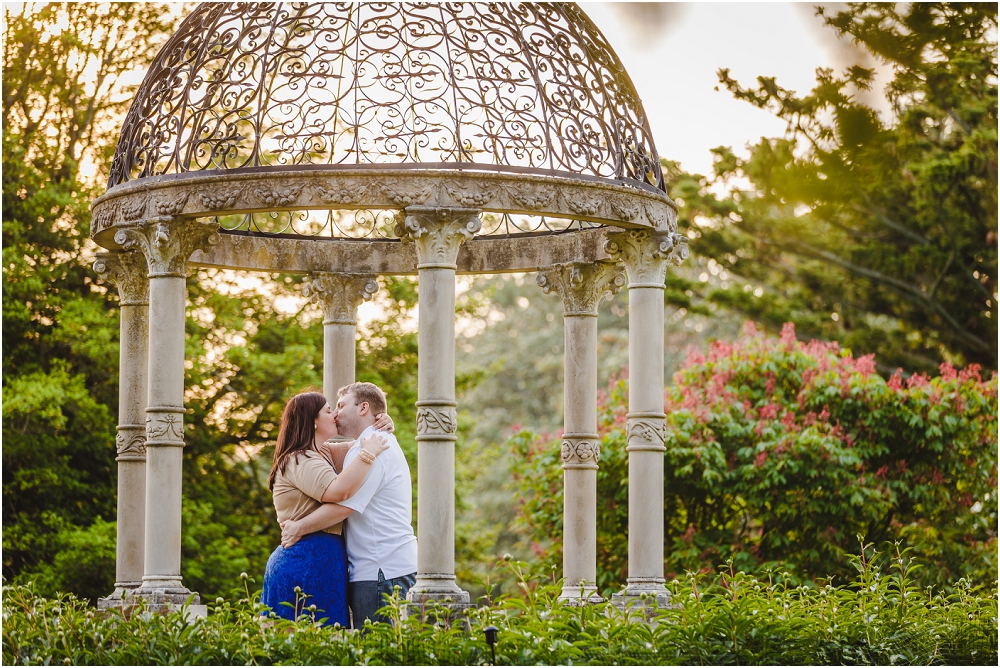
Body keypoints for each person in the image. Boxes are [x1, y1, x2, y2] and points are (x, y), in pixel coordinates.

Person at [280, 382, 417, 627]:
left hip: (381, 569)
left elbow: (345, 504)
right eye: (331, 409)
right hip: (381, 567)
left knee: (378, 655)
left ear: (363, 408)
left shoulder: (373, 448)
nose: (335, 413)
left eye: (341, 405)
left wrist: (298, 527)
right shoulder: (363, 446)